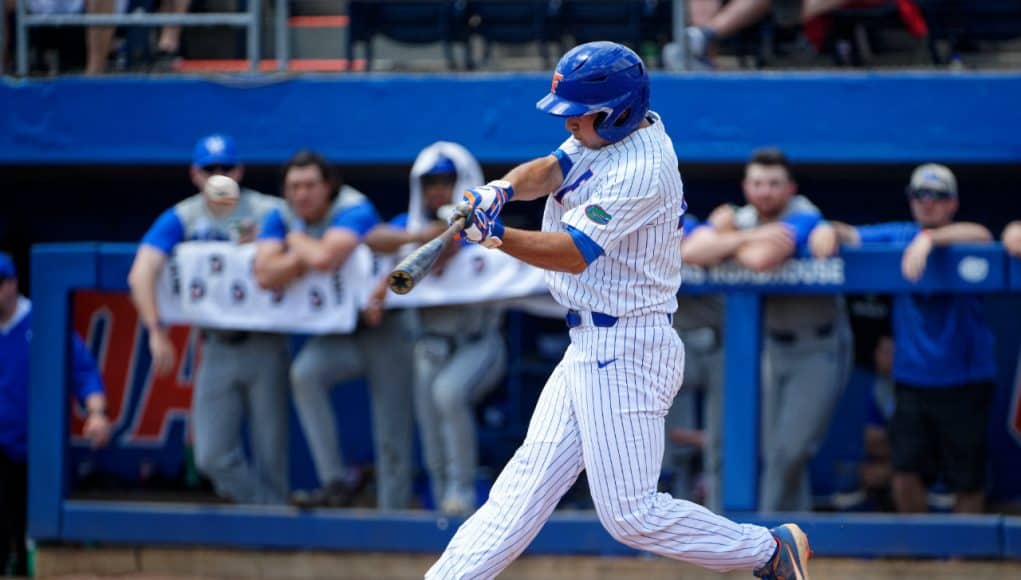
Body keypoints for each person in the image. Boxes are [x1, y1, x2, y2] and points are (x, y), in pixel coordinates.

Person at [426, 41, 810, 580]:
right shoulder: (606, 134)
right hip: (590, 345)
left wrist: (496, 236)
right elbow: (553, 168)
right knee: (520, 490)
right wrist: (502, 189)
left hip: (628, 349)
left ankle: (766, 551)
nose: (569, 126)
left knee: (631, 515)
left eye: (579, 115)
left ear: (616, 111)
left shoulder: (643, 167)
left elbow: (574, 253)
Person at [809, 163, 995, 514]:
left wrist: (929, 240)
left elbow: (982, 234)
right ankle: (919, 557)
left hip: (966, 378)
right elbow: (850, 234)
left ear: (952, 203)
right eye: (919, 195)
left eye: (938, 196)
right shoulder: (899, 234)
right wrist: (827, 230)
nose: (928, 203)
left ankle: (962, 560)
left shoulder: (957, 235)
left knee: (967, 476)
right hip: (910, 378)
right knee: (905, 469)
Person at [682, 147, 852, 512]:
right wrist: (741, 237)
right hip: (769, 347)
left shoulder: (805, 214)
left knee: (789, 449)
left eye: (774, 184)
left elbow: (762, 261)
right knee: (770, 448)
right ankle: (792, 532)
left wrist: (728, 242)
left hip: (818, 343)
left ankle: (769, 533)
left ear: (790, 187)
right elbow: (691, 250)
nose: (765, 192)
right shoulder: (743, 220)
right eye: (758, 183)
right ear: (746, 186)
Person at [128, 134, 290, 505]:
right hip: (216, 344)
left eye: (226, 167)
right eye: (209, 168)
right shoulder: (183, 216)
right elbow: (141, 272)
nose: (219, 175)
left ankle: (274, 537)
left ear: (240, 170)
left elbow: (312, 241)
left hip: (265, 340)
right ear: (194, 174)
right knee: (211, 456)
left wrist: (270, 243)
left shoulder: (268, 211)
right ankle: (267, 515)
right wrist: (156, 331)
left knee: (272, 456)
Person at [253, 149, 415, 510]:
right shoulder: (281, 214)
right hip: (340, 331)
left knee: (392, 429)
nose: (301, 194)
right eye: (294, 186)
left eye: (310, 185)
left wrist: (293, 242)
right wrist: (304, 252)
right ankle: (336, 480)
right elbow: (264, 273)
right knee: (305, 374)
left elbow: (327, 259)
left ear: (328, 187)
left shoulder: (353, 206)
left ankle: (394, 518)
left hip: (384, 325)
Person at [366, 143, 508, 515]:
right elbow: (374, 238)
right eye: (430, 183)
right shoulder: (411, 226)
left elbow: (448, 254)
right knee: (429, 414)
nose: (436, 191)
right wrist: (418, 237)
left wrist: (446, 233)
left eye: (446, 181)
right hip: (431, 343)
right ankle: (441, 491)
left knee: (448, 394)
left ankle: (461, 491)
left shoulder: (482, 225)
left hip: (480, 341)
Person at [1, 251, 112, 576]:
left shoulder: (41, 320)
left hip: (35, 448)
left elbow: (84, 371)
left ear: (12, 284)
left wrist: (97, 413)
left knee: (32, 533)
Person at [666, 214, 725, 511]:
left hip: (717, 344)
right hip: (668, 347)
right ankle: (665, 516)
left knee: (721, 443)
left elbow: (692, 248)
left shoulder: (688, 223)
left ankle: (720, 514)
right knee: (662, 442)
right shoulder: (621, 223)